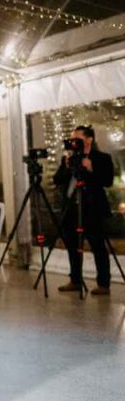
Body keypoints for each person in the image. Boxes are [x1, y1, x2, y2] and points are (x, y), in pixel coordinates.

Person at [54, 126, 115, 296]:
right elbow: (57, 179)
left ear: (89, 139)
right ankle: (75, 280)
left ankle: (103, 284)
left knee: (98, 246)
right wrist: (66, 167)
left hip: (92, 208)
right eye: (72, 139)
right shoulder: (69, 158)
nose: (74, 142)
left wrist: (90, 169)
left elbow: (107, 181)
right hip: (71, 208)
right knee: (72, 245)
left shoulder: (102, 158)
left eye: (77, 138)